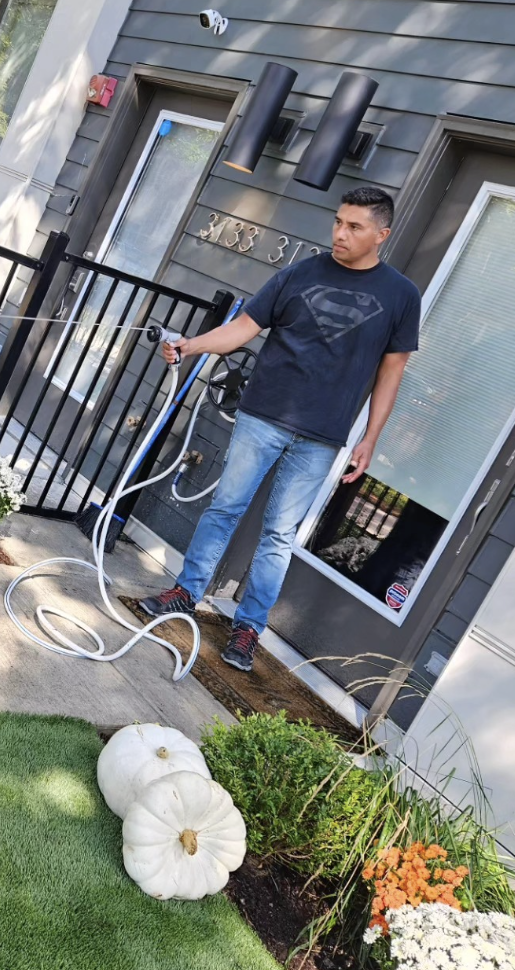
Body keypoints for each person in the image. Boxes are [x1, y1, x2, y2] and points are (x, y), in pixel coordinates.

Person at [139, 186, 421, 672]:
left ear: (382, 234)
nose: (340, 233)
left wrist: (370, 437)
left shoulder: (400, 295)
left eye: (354, 227)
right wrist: (191, 345)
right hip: (261, 416)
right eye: (338, 221)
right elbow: (243, 328)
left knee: (278, 535)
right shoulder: (300, 272)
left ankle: (248, 627)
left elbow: (391, 371)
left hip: (322, 436)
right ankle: (186, 592)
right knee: (225, 507)